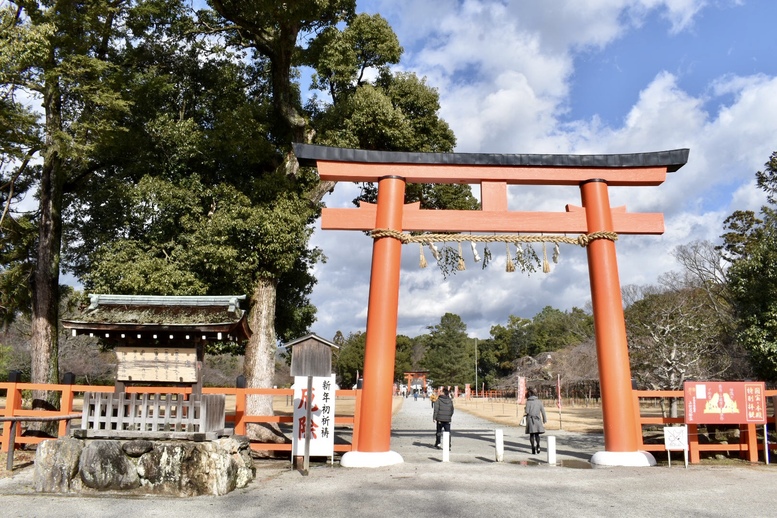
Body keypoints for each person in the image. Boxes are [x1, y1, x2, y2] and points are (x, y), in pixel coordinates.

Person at [524, 388, 547, 454]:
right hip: (538, 419)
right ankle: (538, 445)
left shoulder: (528, 402)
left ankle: (533, 447)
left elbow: (527, 411)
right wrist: (544, 419)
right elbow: (543, 411)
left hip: (531, 419)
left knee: (531, 435)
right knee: (537, 434)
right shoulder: (539, 401)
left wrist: (525, 408)